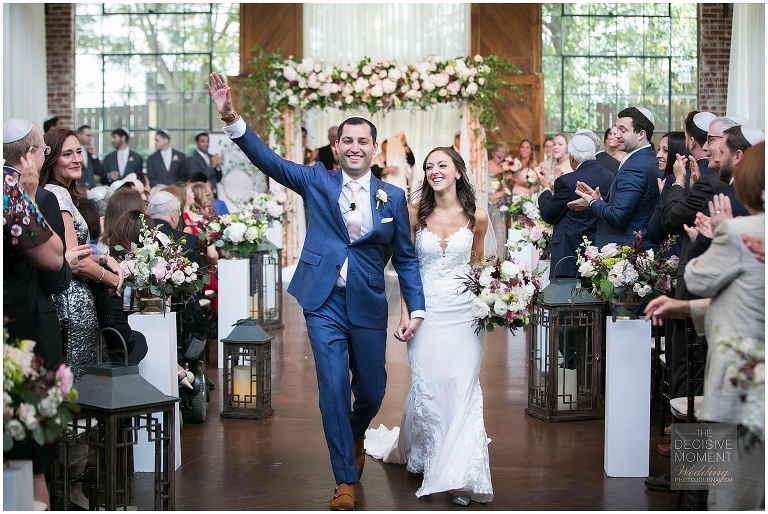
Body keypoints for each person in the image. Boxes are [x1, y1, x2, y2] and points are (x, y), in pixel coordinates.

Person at [207, 71, 426, 511]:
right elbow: (269, 161)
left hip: (367, 301)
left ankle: (354, 432)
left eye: (363, 141)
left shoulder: (393, 197)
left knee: (372, 388)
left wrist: (414, 307)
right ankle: (344, 477)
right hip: (322, 299)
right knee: (330, 387)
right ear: (337, 145)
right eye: (347, 140)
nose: (354, 147)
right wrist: (231, 118)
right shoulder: (315, 180)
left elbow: (404, 256)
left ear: (374, 147)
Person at [364, 147, 493, 506]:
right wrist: (408, 313)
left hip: (466, 314)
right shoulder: (413, 215)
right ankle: (427, 450)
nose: (435, 171)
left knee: (463, 388)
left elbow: (480, 266)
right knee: (429, 387)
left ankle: (456, 472)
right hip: (427, 311)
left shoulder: (477, 217)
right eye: (429, 166)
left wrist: (496, 300)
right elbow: (407, 267)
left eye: (442, 165)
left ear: (457, 171)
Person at [644, 141, 764, 510]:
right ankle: (691, 488)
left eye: (714, 144)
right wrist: (683, 307)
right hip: (715, 323)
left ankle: (695, 494)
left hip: (741, 367)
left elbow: (696, 274)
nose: (707, 152)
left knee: (731, 493)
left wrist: (708, 237)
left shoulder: (727, 210)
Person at [41, 128, 124, 379]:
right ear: (51, 159)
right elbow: (74, 260)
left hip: (71, 297)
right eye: (67, 154)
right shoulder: (58, 194)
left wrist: (104, 258)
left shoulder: (57, 192)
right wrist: (112, 279)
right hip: (72, 302)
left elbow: (76, 248)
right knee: (80, 380)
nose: (77, 159)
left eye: (78, 151)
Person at [569, 107, 661, 247]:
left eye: (623, 130)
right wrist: (598, 200)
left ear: (641, 134)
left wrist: (592, 203)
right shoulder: (648, 158)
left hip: (626, 249)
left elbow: (618, 216)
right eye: (617, 129)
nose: (616, 135)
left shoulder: (635, 167)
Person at [536, 134, 614, 279]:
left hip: (569, 254)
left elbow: (548, 214)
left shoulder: (567, 181)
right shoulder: (609, 177)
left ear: (571, 157)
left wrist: (546, 189)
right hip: (600, 251)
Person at [76, 124, 101, 189]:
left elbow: (99, 171)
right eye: (87, 135)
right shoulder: (73, 151)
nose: (90, 138)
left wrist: (94, 155)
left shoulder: (90, 152)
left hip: (91, 189)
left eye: (91, 136)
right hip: (78, 189)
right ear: (79, 135)